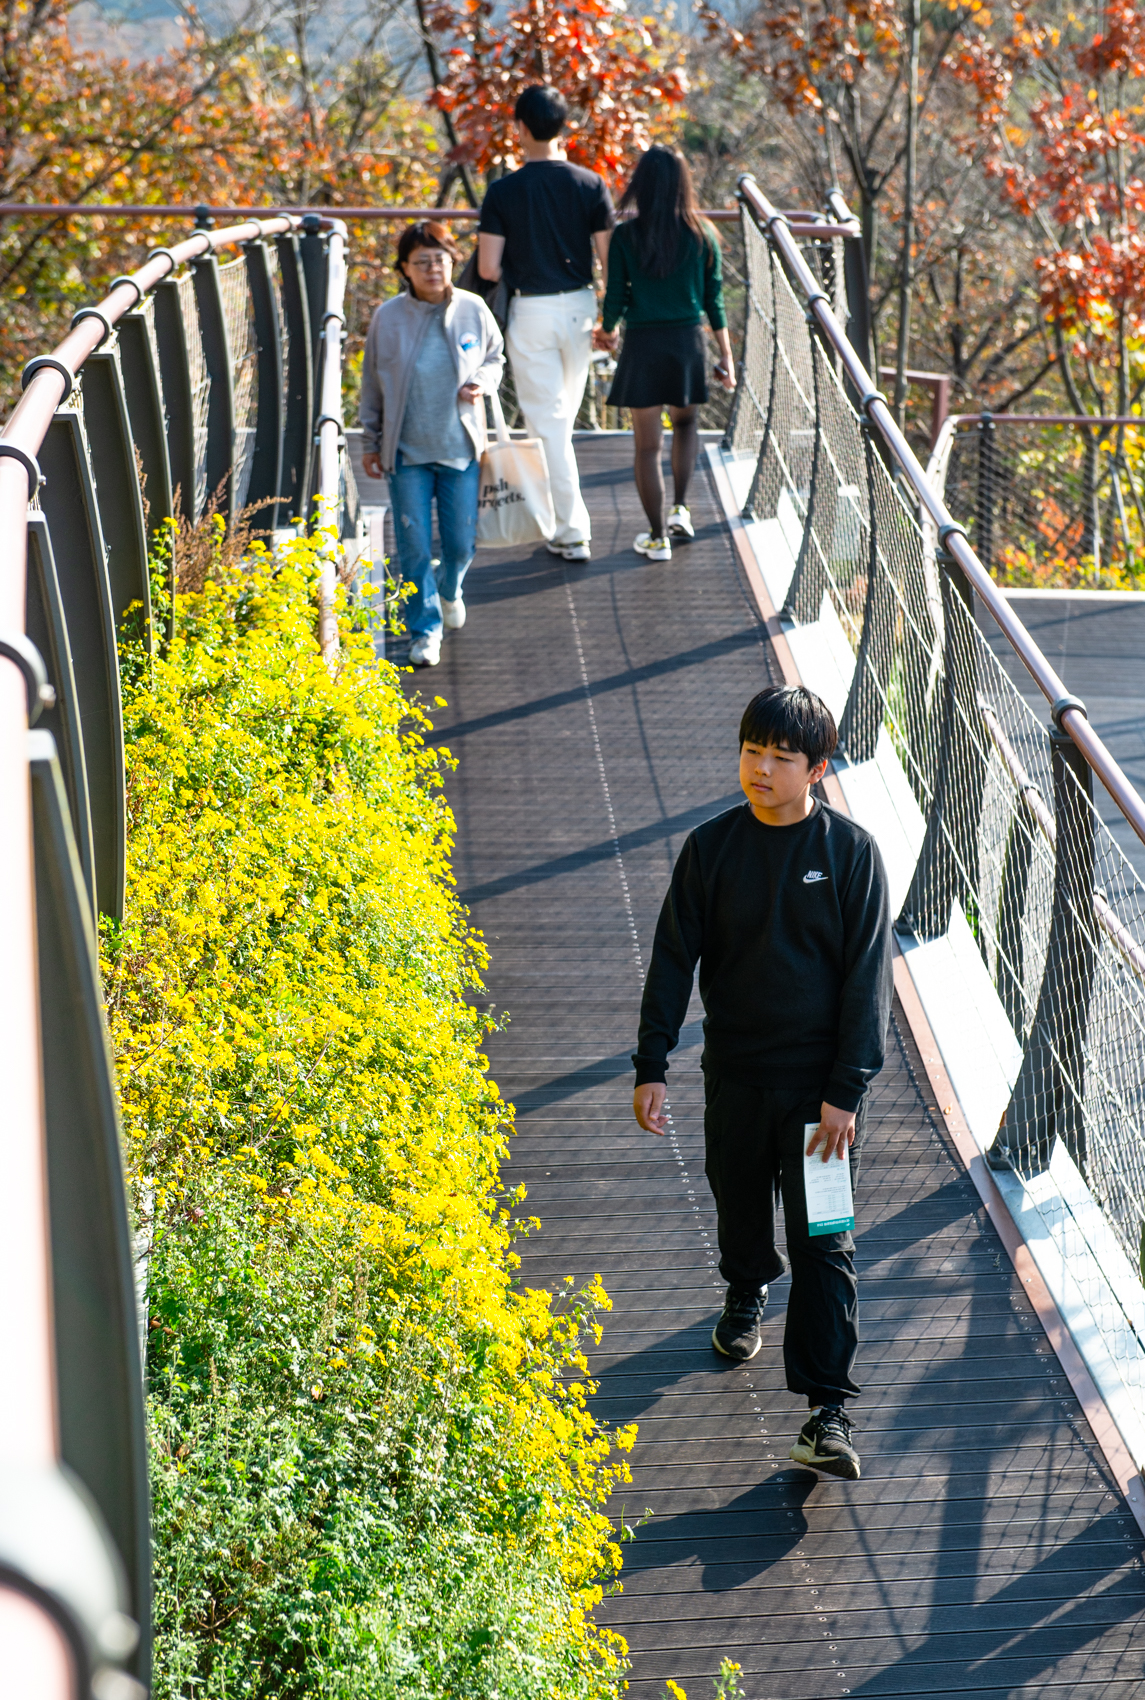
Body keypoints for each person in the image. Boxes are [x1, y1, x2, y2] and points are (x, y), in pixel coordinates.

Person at [631, 686, 892, 1481]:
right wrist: (651, 1063)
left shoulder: (850, 855)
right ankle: (745, 1288)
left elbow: (864, 983)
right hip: (736, 1080)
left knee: (826, 1244)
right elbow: (673, 957)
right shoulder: (711, 849)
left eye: (781, 758)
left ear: (817, 768)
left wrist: (844, 1091)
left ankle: (826, 1412)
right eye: (752, 752)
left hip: (819, 1104)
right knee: (739, 1206)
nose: (762, 769)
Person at [477, 84, 614, 562]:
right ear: (564, 128)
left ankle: (571, 529)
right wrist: (611, 320)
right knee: (556, 422)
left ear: (519, 129)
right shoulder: (591, 184)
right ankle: (562, 526)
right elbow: (608, 261)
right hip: (580, 310)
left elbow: (490, 269)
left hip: (530, 311)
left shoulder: (502, 192)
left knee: (548, 425)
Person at [360, 220, 504, 667]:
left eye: (440, 260)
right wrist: (370, 439)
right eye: (421, 262)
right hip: (407, 455)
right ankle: (424, 631)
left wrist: (481, 380)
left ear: (451, 262)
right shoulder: (388, 317)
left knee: (461, 543)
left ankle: (450, 589)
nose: (433, 269)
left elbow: (496, 357)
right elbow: (372, 384)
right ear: (404, 268)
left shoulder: (473, 309)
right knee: (415, 547)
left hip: (461, 449)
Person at [595, 146, 735, 563]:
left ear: (642, 184)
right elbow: (714, 299)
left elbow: (617, 296)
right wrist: (725, 355)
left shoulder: (626, 236)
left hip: (643, 344)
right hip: (688, 342)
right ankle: (681, 510)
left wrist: (605, 331)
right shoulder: (702, 234)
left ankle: (657, 538)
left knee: (646, 447)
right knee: (687, 426)